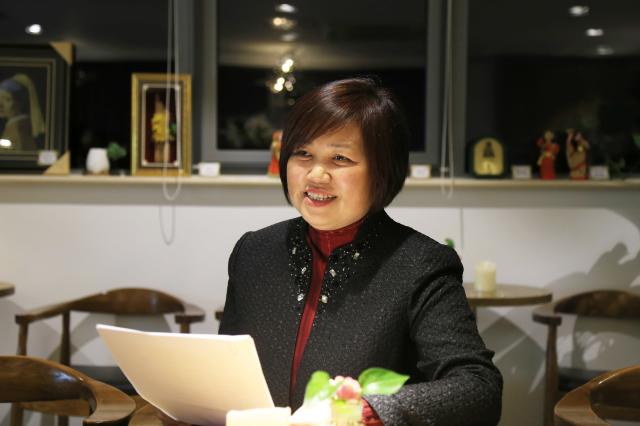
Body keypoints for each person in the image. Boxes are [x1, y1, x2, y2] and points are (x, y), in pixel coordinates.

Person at [219, 78, 502, 425]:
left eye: (339, 158)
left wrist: (364, 411)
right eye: (303, 154)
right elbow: (227, 370)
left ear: (382, 170)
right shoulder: (253, 251)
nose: (316, 174)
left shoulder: (421, 265)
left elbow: (479, 389)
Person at [0, 74, 45, 151]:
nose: (0, 105)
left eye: (7, 99)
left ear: (21, 102)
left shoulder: (20, 129)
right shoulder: (13, 126)